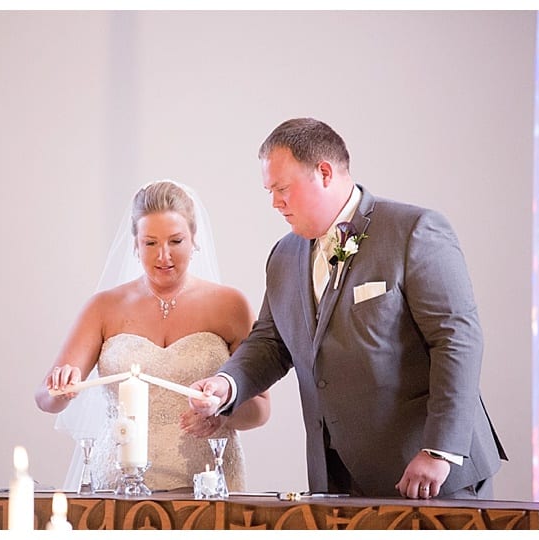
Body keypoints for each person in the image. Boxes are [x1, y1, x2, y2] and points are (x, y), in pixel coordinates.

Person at [189, 118, 507, 500]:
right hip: (335, 479)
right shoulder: (283, 256)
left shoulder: (414, 231)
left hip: (429, 475)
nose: (274, 202)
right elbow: (270, 342)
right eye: (269, 190)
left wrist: (438, 451)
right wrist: (227, 383)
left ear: (324, 172)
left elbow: (456, 340)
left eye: (282, 188)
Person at [35, 180, 270, 492]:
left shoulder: (230, 305)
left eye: (175, 241)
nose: (163, 256)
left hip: (206, 482)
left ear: (194, 239)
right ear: (135, 243)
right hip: (120, 482)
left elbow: (262, 409)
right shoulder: (104, 307)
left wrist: (223, 413)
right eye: (150, 243)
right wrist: (59, 389)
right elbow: (45, 399)